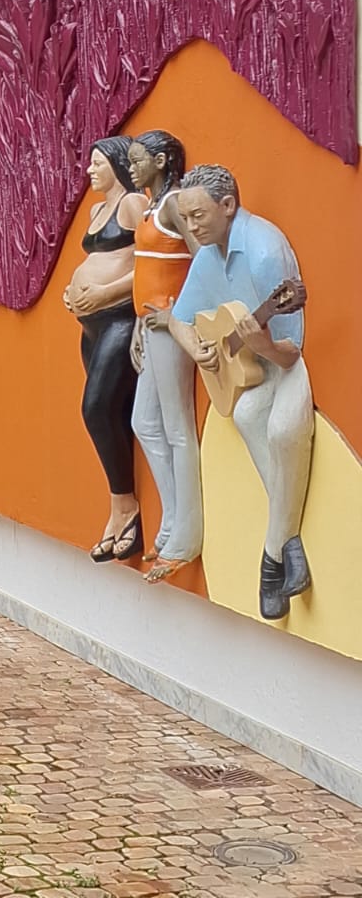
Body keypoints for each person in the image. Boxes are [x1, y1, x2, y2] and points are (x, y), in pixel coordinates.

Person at [169, 166, 314, 622]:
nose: (191, 227)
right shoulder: (207, 258)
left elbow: (290, 351)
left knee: (283, 431)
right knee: (248, 413)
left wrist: (262, 345)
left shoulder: (265, 252)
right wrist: (197, 348)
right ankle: (290, 544)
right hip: (253, 369)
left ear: (228, 205)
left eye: (197, 216)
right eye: (185, 218)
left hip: (284, 360)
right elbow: (178, 318)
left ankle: (272, 558)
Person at [63, 137, 148, 563]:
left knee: (95, 408)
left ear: (117, 164)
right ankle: (119, 512)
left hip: (119, 319)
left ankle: (126, 507)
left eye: (97, 163)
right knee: (110, 416)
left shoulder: (132, 204)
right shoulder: (96, 211)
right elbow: (94, 263)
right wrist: (74, 293)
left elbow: (150, 262)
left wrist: (102, 293)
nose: (90, 171)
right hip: (91, 327)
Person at [127, 131, 202, 581]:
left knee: (177, 429)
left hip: (171, 328)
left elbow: (202, 260)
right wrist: (141, 321)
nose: (131, 167)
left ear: (159, 160)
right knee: (145, 422)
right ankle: (173, 517)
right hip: (150, 326)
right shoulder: (151, 205)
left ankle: (186, 533)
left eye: (138, 160)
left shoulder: (173, 204)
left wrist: (177, 316)